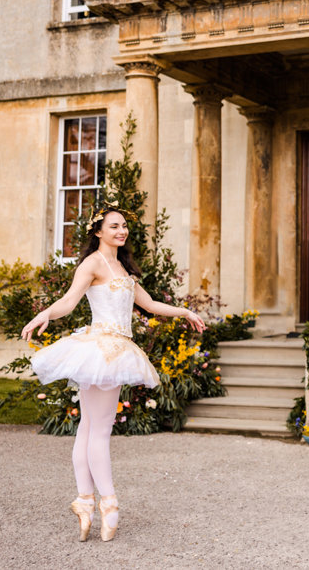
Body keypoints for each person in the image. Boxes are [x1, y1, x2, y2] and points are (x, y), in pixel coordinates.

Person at [22, 206, 206, 542]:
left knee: (91, 426)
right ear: (98, 231)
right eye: (114, 226)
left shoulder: (123, 266)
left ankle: (84, 501)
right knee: (100, 429)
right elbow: (69, 300)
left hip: (119, 348)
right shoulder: (92, 263)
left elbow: (149, 304)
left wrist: (183, 311)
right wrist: (44, 315)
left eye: (124, 226)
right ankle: (109, 503)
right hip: (101, 349)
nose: (121, 231)